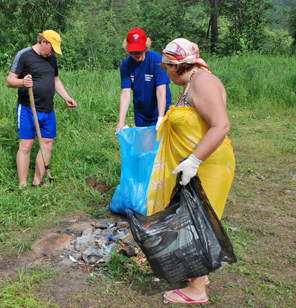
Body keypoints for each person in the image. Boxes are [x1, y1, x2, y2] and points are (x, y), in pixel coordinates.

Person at [146, 38, 236, 305]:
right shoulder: (191, 81)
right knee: (193, 216)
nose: (163, 70)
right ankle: (200, 275)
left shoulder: (203, 82)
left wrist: (194, 161)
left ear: (178, 65)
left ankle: (197, 290)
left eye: (166, 66)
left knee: (198, 221)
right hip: (199, 164)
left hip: (209, 165)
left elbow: (221, 126)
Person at [6, 30, 77, 189]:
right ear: (43, 42)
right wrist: (23, 82)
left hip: (48, 109)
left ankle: (37, 182)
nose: (52, 53)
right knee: (26, 146)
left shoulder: (51, 58)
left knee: (47, 142)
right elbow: (9, 81)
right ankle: (22, 186)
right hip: (27, 109)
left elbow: (55, 79)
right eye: (51, 48)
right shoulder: (24, 55)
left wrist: (66, 97)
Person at [115, 27, 172, 133]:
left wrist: (160, 118)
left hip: (160, 108)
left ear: (146, 47)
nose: (137, 55)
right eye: (133, 52)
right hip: (141, 111)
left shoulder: (156, 60)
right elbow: (125, 94)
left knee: (162, 143)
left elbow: (161, 92)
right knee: (145, 144)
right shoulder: (126, 66)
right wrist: (121, 122)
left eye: (139, 51)